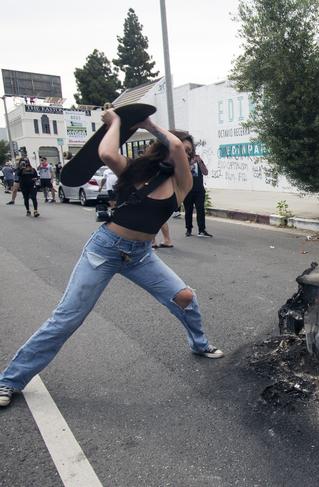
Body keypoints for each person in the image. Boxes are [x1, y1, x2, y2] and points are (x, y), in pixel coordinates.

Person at [0, 110, 223, 409]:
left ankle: (199, 343)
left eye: (189, 153)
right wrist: (116, 123)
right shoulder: (134, 172)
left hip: (141, 257)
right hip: (103, 251)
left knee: (185, 297)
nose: (184, 154)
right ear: (159, 150)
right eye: (181, 149)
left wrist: (150, 125)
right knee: (67, 318)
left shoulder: (181, 183)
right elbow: (106, 152)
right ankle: (10, 380)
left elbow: (174, 147)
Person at [183, 150, 212, 237]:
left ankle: (202, 230)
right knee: (188, 210)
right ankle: (188, 229)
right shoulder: (184, 161)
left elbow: (205, 172)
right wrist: (190, 164)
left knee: (200, 210)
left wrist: (200, 162)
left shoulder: (198, 160)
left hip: (199, 190)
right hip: (188, 190)